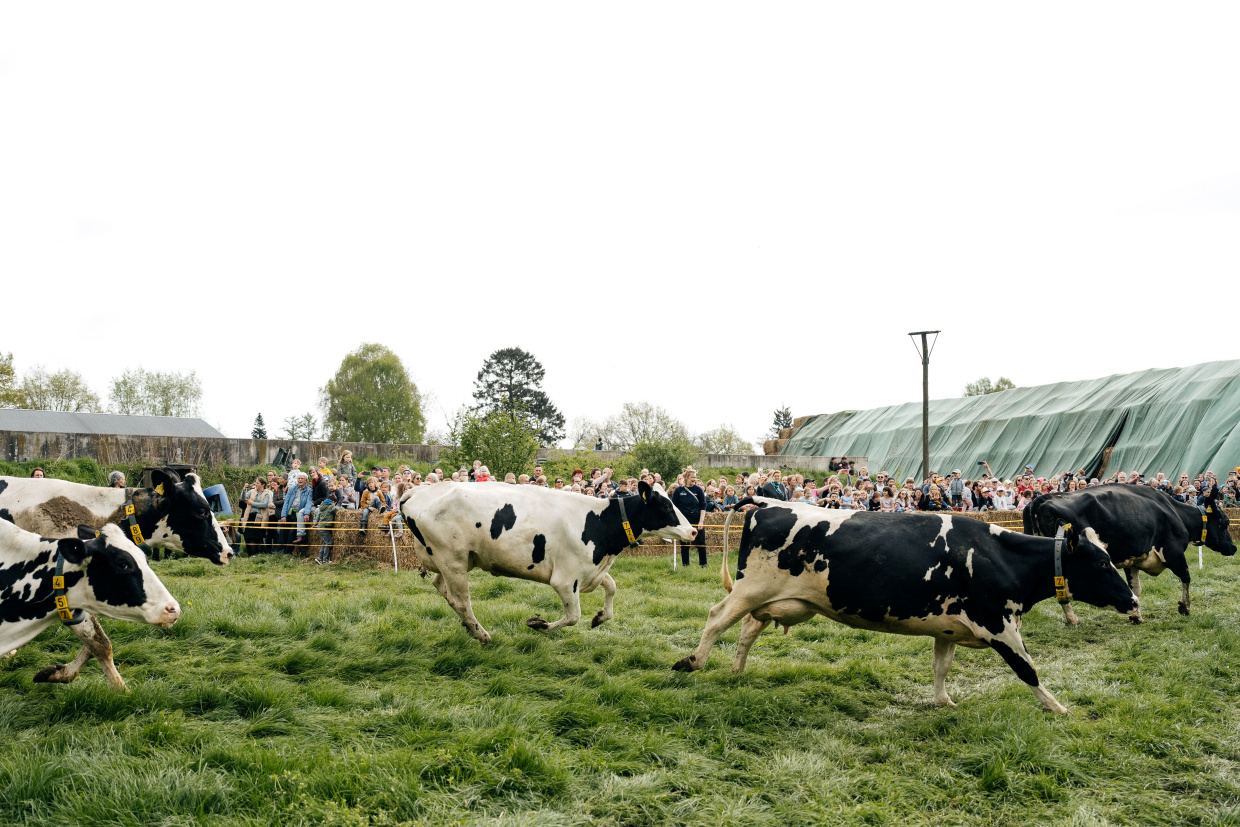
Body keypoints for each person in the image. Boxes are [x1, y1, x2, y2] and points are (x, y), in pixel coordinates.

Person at [671, 468, 707, 567]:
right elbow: (674, 507)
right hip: (684, 520)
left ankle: (704, 564)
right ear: (686, 477)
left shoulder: (698, 490)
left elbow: (703, 506)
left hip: (697, 518)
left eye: (695, 477)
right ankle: (685, 565)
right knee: (684, 543)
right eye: (692, 477)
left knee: (701, 543)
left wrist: (701, 521)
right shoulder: (678, 490)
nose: (694, 479)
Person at [240, 477, 273, 554]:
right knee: (249, 536)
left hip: (260, 517)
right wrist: (244, 490)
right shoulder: (251, 491)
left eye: (258, 483)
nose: (256, 484)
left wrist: (251, 503)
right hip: (251, 516)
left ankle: (260, 554)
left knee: (259, 537)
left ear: (263, 485)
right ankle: (252, 554)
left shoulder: (267, 493)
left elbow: (264, 505)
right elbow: (243, 498)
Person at [280, 472, 314, 547]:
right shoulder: (292, 489)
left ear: (306, 480)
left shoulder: (309, 490)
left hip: (298, 514)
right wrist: (283, 515)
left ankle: (288, 551)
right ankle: (281, 550)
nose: (300, 480)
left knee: (292, 530)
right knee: (283, 529)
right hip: (290, 512)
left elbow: (309, 502)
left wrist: (307, 513)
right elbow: (286, 502)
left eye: (302, 478)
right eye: (299, 478)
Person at [315, 478, 343, 564]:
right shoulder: (331, 507)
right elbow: (338, 509)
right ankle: (325, 560)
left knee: (324, 542)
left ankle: (320, 558)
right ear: (334, 502)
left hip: (321, 526)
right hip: (325, 527)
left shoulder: (323, 506)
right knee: (328, 542)